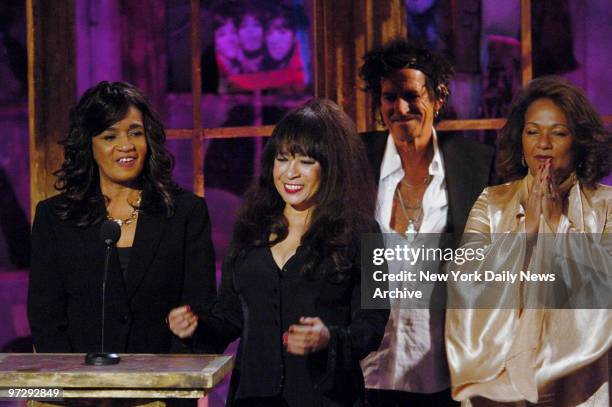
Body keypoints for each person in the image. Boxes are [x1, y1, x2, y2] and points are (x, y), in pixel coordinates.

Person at [168, 99, 389, 406]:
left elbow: (373, 324)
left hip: (326, 398)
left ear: (331, 166)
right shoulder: (250, 229)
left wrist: (329, 338)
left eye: (306, 161)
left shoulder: (365, 232)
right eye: (283, 159)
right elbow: (229, 317)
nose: (290, 173)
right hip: (253, 397)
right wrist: (196, 327)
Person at [446, 76, 612, 406]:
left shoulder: (605, 205)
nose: (543, 143)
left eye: (559, 133)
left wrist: (556, 225)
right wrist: (527, 236)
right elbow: (465, 284)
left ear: (578, 142)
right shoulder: (491, 203)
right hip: (500, 379)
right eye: (532, 131)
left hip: (579, 381)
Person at [28, 81, 216, 354]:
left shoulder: (185, 213)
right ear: (88, 145)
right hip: (80, 388)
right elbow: (46, 320)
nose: (126, 146)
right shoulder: (54, 218)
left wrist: (185, 340)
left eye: (135, 133)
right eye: (110, 136)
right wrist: (75, 386)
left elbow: (202, 306)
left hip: (165, 383)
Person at [358, 38, 496, 406]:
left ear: (438, 97)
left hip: (444, 374)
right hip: (366, 372)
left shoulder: (478, 166)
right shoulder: (356, 161)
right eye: (389, 97)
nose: (400, 107)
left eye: (411, 95)